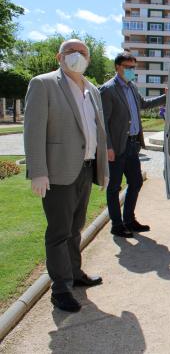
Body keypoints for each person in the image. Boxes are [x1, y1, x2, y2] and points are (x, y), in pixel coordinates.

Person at [23, 39, 109, 312]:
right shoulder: (43, 84)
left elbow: (97, 132)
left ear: (89, 59)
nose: (77, 56)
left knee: (75, 229)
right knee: (59, 232)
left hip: (85, 169)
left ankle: (74, 274)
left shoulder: (93, 90)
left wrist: (101, 171)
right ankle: (60, 289)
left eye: (82, 52)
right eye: (71, 52)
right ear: (59, 56)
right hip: (58, 172)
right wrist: (38, 171)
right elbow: (33, 130)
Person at [99, 52, 166, 238]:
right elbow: (102, 122)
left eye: (133, 68)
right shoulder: (108, 90)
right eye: (127, 67)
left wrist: (164, 97)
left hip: (133, 145)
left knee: (135, 182)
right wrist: (108, 147)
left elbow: (143, 104)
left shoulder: (132, 87)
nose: (131, 71)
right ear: (117, 67)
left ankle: (129, 220)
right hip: (117, 146)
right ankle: (117, 225)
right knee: (114, 187)